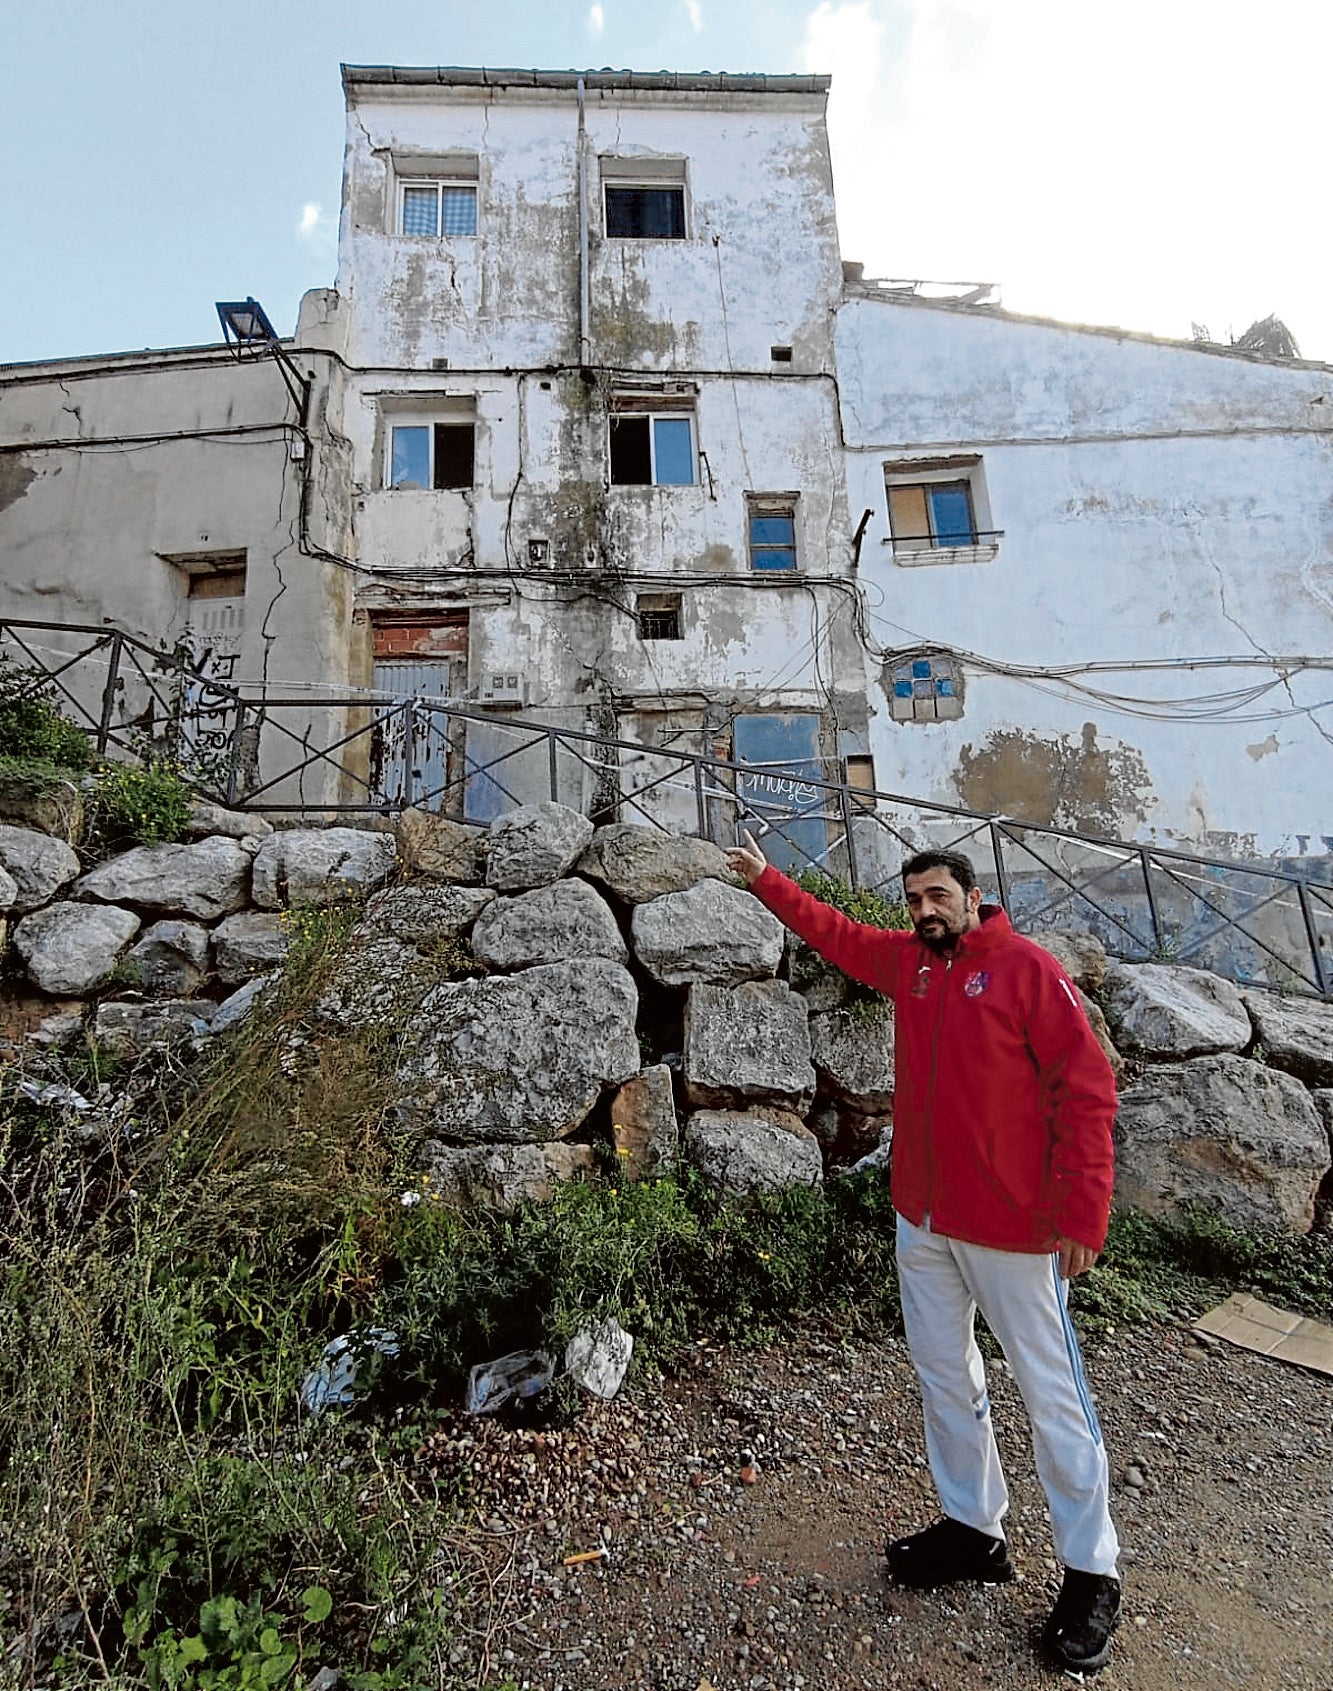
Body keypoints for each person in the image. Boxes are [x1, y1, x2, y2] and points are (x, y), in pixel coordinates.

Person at [724, 834, 1122, 1674]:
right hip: (925, 1219)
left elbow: (1085, 1089)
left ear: (972, 895)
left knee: (1052, 1395)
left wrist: (1081, 1211)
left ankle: (1091, 1571)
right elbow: (833, 932)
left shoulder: (1026, 969)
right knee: (947, 1376)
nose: (924, 911)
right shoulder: (912, 966)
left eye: (936, 895)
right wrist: (766, 879)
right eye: (912, 900)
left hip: (1015, 1230)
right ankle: (974, 1529)